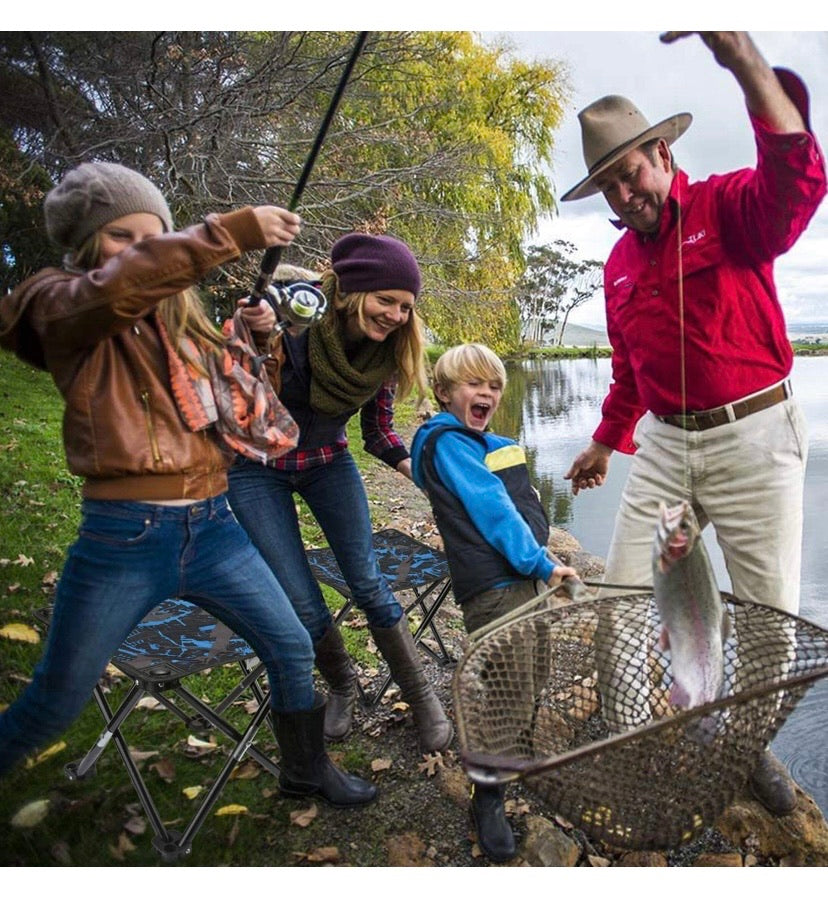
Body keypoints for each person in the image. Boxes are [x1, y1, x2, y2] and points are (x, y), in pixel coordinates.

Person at [0, 161, 376, 808]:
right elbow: (116, 290)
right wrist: (228, 232)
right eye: (123, 236)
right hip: (125, 538)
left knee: (291, 646)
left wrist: (262, 341)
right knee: (56, 700)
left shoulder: (179, 320)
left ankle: (306, 772)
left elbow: (239, 405)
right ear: (87, 246)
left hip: (214, 529)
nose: (142, 249)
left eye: (156, 234)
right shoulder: (55, 302)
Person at [562, 32, 827, 816]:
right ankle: (638, 740)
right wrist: (606, 441)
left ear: (664, 156)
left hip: (756, 435)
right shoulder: (616, 267)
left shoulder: (727, 207)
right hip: (668, 441)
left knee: (771, 619)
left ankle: (743, 750)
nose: (623, 193)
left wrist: (743, 60)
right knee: (620, 597)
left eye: (631, 171)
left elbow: (799, 184)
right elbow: (628, 371)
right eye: (607, 184)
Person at [226, 234, 453, 752]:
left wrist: (422, 475)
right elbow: (235, 381)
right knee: (301, 597)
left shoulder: (388, 353)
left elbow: (376, 434)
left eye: (405, 306)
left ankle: (421, 697)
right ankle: (343, 685)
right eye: (386, 300)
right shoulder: (293, 318)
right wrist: (251, 332)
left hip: (327, 462)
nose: (396, 315)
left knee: (369, 584)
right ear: (353, 291)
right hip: (256, 469)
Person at [409, 343, 579, 862]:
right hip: (496, 585)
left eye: (494, 386)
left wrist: (537, 564)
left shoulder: (475, 440)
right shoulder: (452, 444)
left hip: (522, 576)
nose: (486, 393)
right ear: (442, 393)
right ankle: (488, 794)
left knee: (536, 667)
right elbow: (492, 509)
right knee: (507, 685)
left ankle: (519, 755)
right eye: (472, 384)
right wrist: (544, 563)